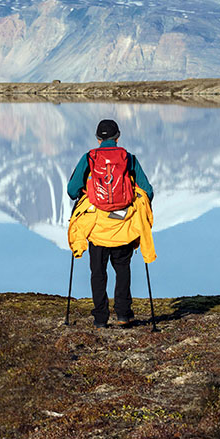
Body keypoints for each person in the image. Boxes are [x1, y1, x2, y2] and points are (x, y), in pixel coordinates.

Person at [66, 119, 154, 328]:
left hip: (97, 227)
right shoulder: (129, 159)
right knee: (122, 269)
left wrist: (86, 195)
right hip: (122, 226)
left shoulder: (89, 158)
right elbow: (147, 190)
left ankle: (100, 318)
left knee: (98, 273)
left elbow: (72, 190)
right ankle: (123, 315)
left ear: (98, 139)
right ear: (118, 136)